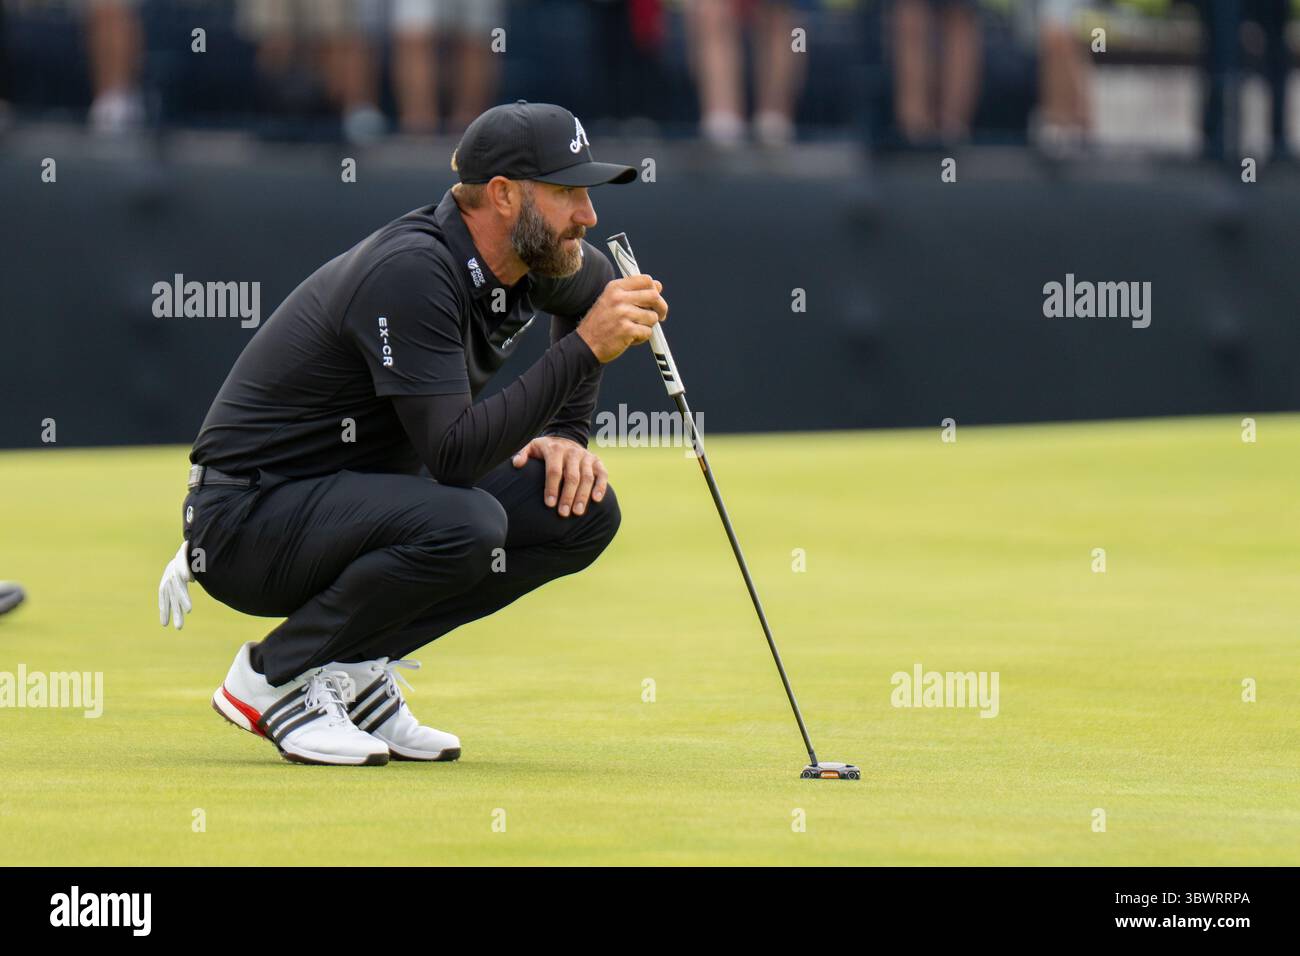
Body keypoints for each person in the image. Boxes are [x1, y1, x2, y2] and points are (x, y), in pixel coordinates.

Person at [157, 101, 668, 767]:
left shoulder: (542, 260)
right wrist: (586, 352)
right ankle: (270, 677)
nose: (588, 216)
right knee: (468, 521)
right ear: (505, 196)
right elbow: (453, 456)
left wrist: (569, 432)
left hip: (347, 503)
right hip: (247, 518)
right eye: (568, 192)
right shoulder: (414, 270)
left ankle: (359, 666)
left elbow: (591, 301)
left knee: (574, 509)